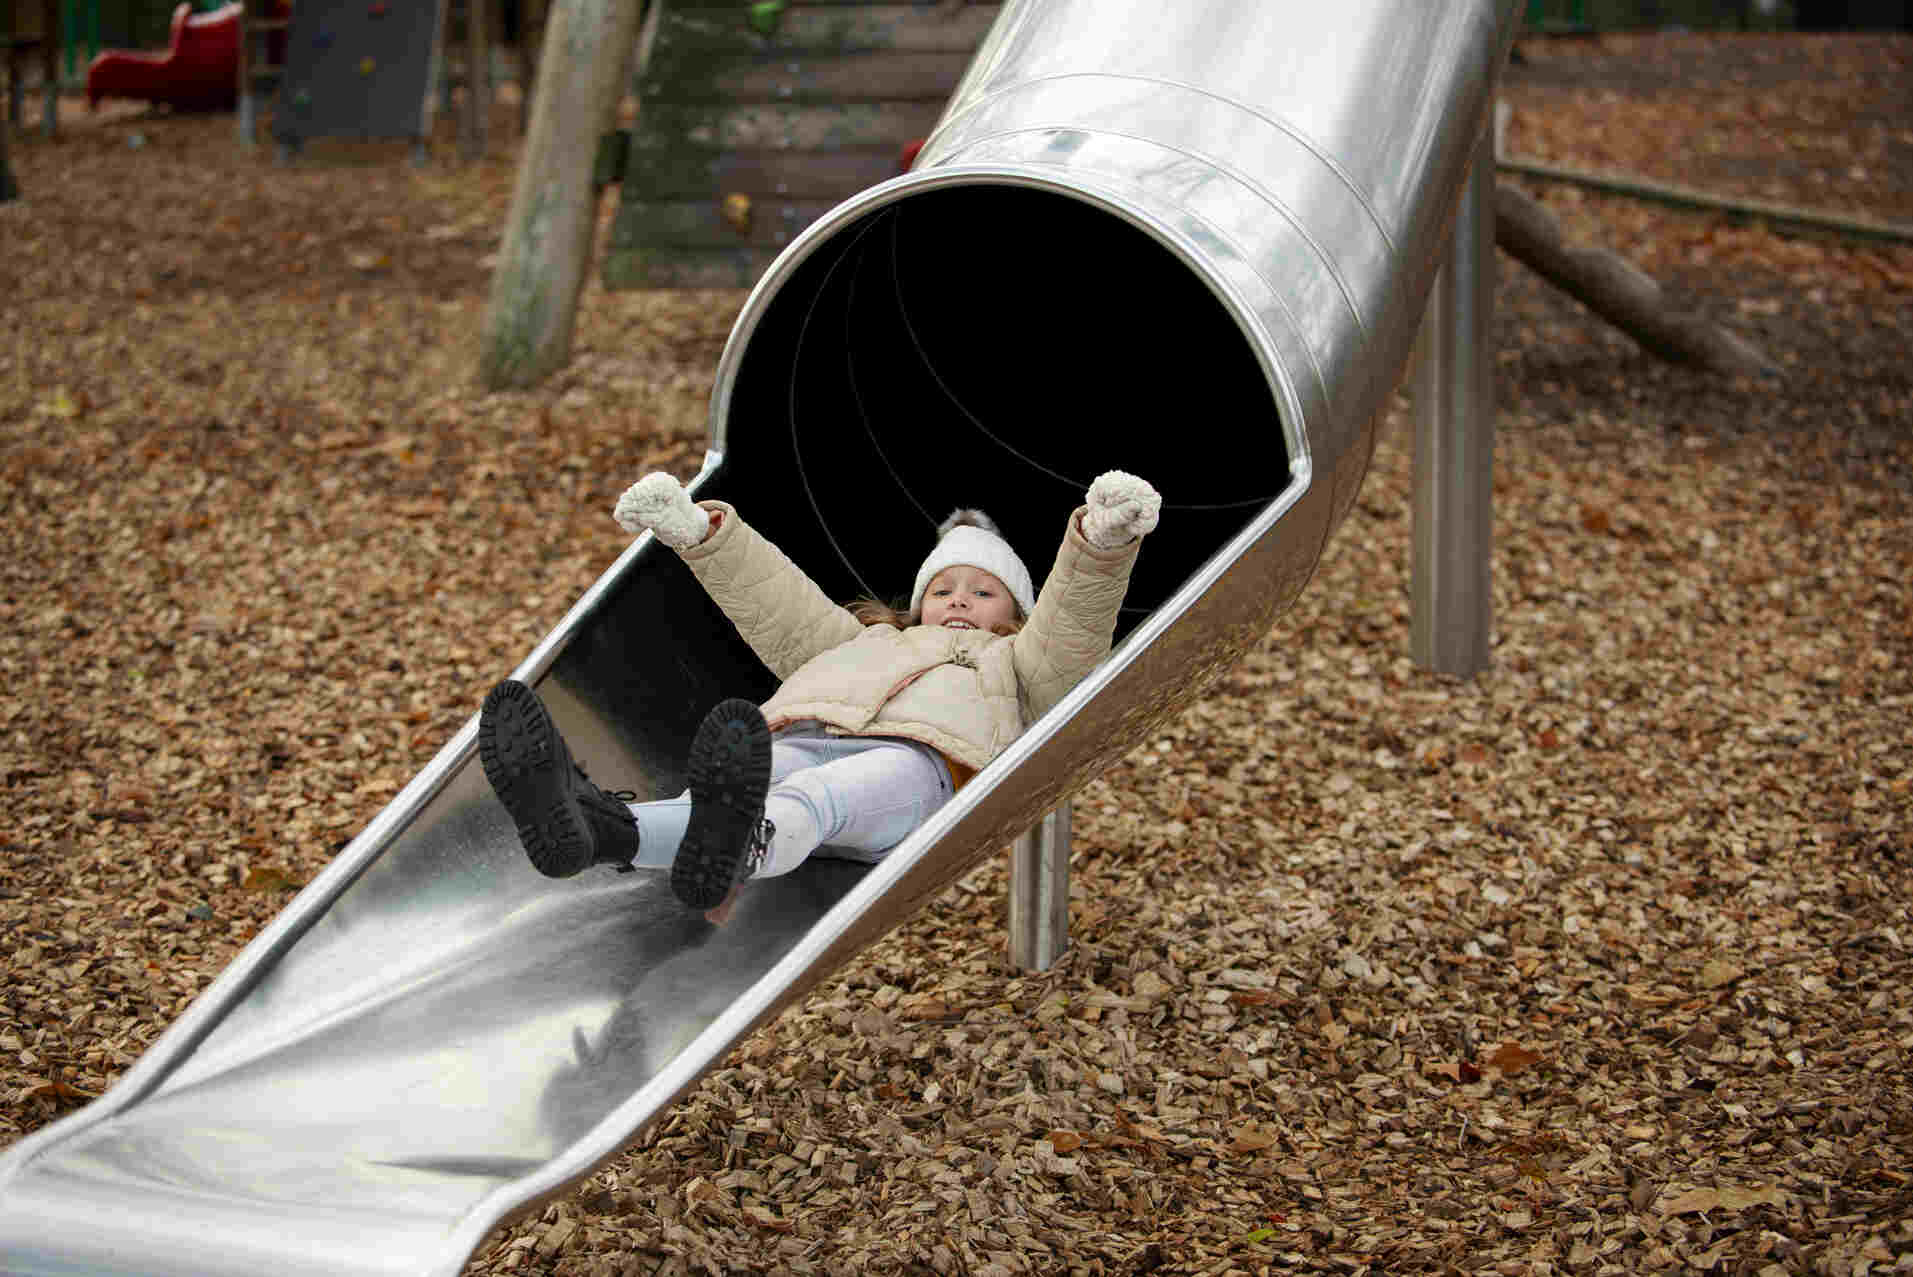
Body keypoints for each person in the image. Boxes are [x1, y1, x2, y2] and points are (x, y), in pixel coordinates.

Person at [478, 469, 1161, 922]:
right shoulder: (863, 640)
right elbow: (779, 605)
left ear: (1012, 613)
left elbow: (1072, 626)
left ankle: (742, 843)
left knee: (827, 794)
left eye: (982, 592)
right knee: (753, 778)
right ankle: (598, 834)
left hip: (921, 771)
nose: (959, 599)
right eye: (942, 589)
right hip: (804, 738)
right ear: (917, 603)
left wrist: (1100, 545)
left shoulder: (1013, 662)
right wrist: (700, 535)